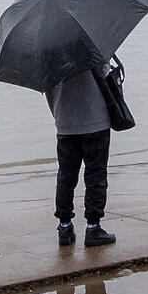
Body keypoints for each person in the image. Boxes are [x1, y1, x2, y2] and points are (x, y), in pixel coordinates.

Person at [45, 60, 117, 247]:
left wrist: (60, 116)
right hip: (95, 120)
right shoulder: (91, 44)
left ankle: (64, 226)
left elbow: (48, 91)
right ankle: (93, 228)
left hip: (65, 123)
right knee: (96, 175)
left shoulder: (47, 53)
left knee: (66, 177)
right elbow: (103, 73)